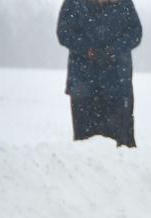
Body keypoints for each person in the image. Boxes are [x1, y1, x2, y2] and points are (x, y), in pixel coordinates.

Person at [57, 0, 142, 148]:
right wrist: (87, 50)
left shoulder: (124, 3)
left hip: (117, 85)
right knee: (85, 144)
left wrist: (113, 50)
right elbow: (64, 33)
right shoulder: (74, 3)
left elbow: (135, 33)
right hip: (84, 84)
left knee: (121, 145)